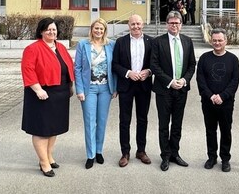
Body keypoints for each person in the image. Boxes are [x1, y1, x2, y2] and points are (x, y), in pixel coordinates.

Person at [21, 17, 75, 177]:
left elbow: (67, 68)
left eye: (54, 29)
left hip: (60, 93)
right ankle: (43, 162)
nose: (52, 32)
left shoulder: (61, 47)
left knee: (53, 129)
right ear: (41, 31)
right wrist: (38, 90)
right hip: (42, 94)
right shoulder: (33, 48)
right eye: (48, 29)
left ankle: (49, 156)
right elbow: (28, 70)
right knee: (41, 130)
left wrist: (70, 86)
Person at [151, 10, 196, 171]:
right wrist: (170, 82)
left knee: (177, 124)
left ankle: (175, 153)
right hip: (164, 90)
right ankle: (165, 156)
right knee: (164, 125)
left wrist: (184, 80)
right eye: (171, 23)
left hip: (181, 90)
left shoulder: (187, 41)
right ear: (166, 24)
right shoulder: (157, 42)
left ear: (181, 25)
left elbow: (192, 64)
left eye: (177, 23)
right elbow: (154, 66)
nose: (174, 25)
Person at [112, 14, 154, 167]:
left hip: (144, 85)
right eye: (133, 24)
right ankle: (125, 152)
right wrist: (128, 73)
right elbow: (115, 64)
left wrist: (148, 71)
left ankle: (141, 151)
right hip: (126, 86)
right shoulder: (121, 42)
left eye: (138, 24)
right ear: (128, 25)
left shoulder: (151, 41)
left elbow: (155, 64)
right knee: (125, 120)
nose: (136, 27)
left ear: (142, 24)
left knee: (142, 119)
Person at [75, 18, 117, 169]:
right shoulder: (83, 44)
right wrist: (79, 90)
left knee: (102, 121)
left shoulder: (111, 44)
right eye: (96, 28)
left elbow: (115, 68)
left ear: (105, 30)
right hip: (89, 89)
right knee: (90, 121)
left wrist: (115, 88)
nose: (98, 31)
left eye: (101, 29)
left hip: (106, 88)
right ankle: (90, 154)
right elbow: (77, 68)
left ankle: (99, 151)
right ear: (91, 29)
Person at [196, 28, 239, 172]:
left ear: (225, 41)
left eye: (220, 40)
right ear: (211, 41)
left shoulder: (232, 59)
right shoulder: (204, 58)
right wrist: (211, 96)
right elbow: (200, 80)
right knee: (210, 130)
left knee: (226, 131)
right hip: (208, 103)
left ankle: (225, 159)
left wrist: (222, 96)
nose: (217, 43)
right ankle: (212, 157)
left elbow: (234, 82)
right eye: (214, 40)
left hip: (226, 103)